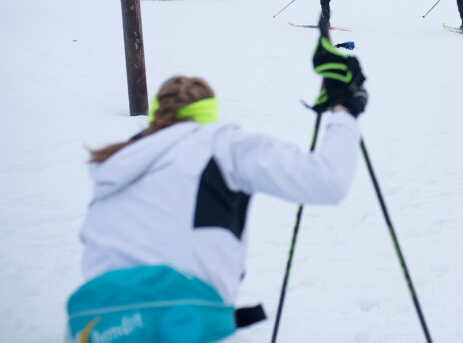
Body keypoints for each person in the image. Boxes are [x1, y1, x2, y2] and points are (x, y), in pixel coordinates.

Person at [66, 36, 367, 343]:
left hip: (95, 327)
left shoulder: (116, 166)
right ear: (209, 113)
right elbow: (327, 179)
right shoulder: (221, 145)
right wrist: (345, 111)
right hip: (182, 324)